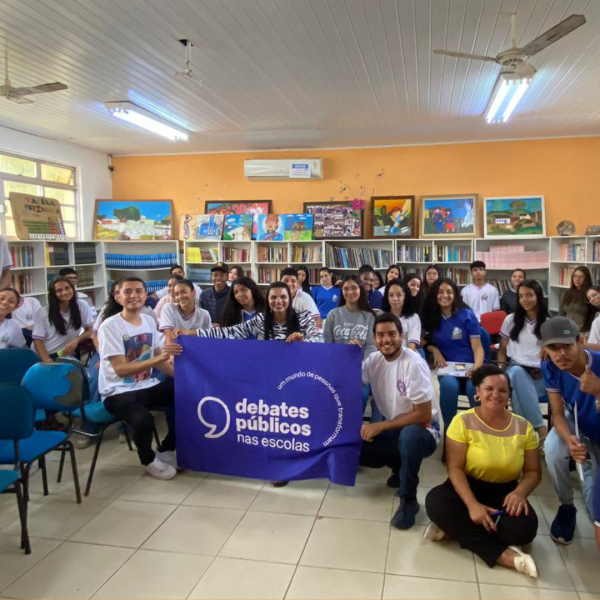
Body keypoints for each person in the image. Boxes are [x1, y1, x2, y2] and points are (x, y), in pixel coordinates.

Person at [425, 365, 541, 578]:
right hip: (467, 486)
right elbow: (455, 468)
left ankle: (453, 530)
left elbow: (533, 471)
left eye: (502, 390)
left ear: (509, 395)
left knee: (525, 529)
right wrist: (472, 506)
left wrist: (520, 493)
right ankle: (505, 556)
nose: (495, 395)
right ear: (477, 392)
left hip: (505, 492)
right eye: (489, 389)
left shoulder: (524, 427)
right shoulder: (463, 421)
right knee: (435, 501)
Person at [360, 313, 440, 530]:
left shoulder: (413, 363)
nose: (386, 340)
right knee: (356, 446)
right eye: (380, 335)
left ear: (402, 336)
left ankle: (409, 499)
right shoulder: (373, 361)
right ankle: (398, 465)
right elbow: (349, 380)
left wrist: (379, 425)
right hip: (395, 426)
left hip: (425, 429)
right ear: (374, 339)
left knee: (409, 436)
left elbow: (423, 415)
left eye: (392, 334)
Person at [98, 277, 183, 480]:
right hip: (117, 391)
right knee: (144, 420)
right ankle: (148, 460)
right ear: (117, 297)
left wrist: (182, 379)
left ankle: (167, 448)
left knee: (189, 400)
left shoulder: (148, 320)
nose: (133, 296)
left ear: (146, 295)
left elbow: (158, 358)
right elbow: (121, 370)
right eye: (127, 292)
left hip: (146, 385)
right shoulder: (109, 326)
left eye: (138, 291)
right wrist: (160, 357)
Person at [541, 317, 600, 545]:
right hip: (577, 424)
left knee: (594, 504)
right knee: (553, 449)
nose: (561, 354)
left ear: (581, 341)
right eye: (553, 348)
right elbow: (556, 412)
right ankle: (566, 506)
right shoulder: (550, 366)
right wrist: (570, 440)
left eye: (567, 345)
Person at [421, 278, 484, 439]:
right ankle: (451, 435)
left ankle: (476, 435)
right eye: (440, 292)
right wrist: (433, 348)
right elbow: (419, 339)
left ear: (455, 294)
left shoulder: (466, 315)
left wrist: (476, 368)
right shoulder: (431, 316)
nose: (445, 295)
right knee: (449, 387)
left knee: (473, 389)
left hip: (471, 365)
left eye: (449, 292)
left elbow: (478, 348)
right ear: (434, 295)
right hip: (448, 367)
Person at [182, 282, 323, 344]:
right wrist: (191, 333)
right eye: (273, 297)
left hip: (298, 371)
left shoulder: (304, 316)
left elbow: (320, 340)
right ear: (267, 300)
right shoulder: (261, 320)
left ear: (290, 299)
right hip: (271, 371)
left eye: (283, 297)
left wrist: (304, 342)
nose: (278, 301)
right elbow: (229, 332)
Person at [497, 280, 550, 446]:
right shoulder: (511, 320)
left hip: (540, 374)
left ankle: (524, 437)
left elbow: (555, 354)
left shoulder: (548, 322)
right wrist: (500, 370)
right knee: (517, 374)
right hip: (515, 368)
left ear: (538, 296)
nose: (525, 299)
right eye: (521, 296)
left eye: (529, 295)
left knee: (520, 395)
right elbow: (502, 349)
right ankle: (541, 430)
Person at [32, 276, 94, 363]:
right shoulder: (43, 312)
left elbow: (90, 331)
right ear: (53, 294)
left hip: (66, 354)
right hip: (45, 355)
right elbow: (38, 341)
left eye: (67, 288)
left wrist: (76, 340)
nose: (65, 292)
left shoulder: (82, 305)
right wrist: (47, 361)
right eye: (59, 290)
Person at [324, 275, 376, 357]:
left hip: (362, 365)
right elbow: (327, 345)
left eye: (354, 288)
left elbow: (371, 346)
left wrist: (364, 367)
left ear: (360, 289)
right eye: (346, 289)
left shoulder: (370, 317)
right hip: (338, 364)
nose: (350, 292)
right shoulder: (332, 315)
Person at [159, 279, 211, 344]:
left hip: (192, 350)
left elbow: (209, 338)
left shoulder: (204, 314)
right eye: (177, 294)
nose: (180, 296)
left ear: (193, 292)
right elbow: (169, 342)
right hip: (171, 350)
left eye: (183, 292)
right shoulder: (169, 308)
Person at [382, 279, 421, 351]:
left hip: (407, 358)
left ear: (405, 296)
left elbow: (411, 348)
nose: (395, 299)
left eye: (399, 295)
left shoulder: (413, 317)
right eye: (391, 295)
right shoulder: (381, 317)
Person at [559, 266, 595, 334]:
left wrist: (583, 332)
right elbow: (561, 314)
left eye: (581, 277)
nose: (577, 279)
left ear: (586, 278)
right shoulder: (567, 293)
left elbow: (592, 317)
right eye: (575, 276)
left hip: (583, 331)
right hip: (566, 330)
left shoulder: (589, 294)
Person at [586, 286, 600, 351]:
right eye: (589, 298)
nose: (592, 299)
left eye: (594, 295)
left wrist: (582, 344)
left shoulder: (597, 322)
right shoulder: (596, 318)